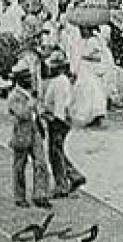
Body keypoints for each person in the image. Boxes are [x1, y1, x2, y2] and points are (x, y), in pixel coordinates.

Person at [7, 68, 53, 208]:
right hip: (22, 132)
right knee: (19, 166)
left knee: (41, 163)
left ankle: (40, 194)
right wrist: (32, 104)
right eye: (26, 78)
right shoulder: (15, 95)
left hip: (35, 130)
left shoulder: (29, 93)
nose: (30, 80)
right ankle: (19, 196)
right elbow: (22, 114)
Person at [41, 53, 85, 196]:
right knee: (57, 151)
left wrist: (54, 119)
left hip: (58, 121)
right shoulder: (61, 81)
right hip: (60, 119)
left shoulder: (59, 83)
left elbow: (60, 105)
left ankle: (61, 185)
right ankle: (73, 175)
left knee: (55, 153)